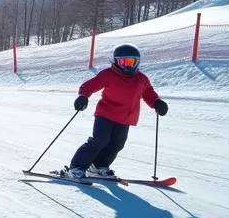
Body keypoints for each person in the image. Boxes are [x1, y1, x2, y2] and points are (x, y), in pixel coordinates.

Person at [63, 44, 168, 180]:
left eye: (131, 62)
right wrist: (83, 96)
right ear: (116, 61)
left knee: (117, 144)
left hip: (126, 118)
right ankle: (76, 168)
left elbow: (148, 93)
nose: (127, 66)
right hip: (105, 114)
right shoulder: (109, 74)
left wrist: (157, 103)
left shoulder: (141, 79)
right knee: (99, 141)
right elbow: (88, 86)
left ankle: (99, 167)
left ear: (137, 62)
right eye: (123, 62)